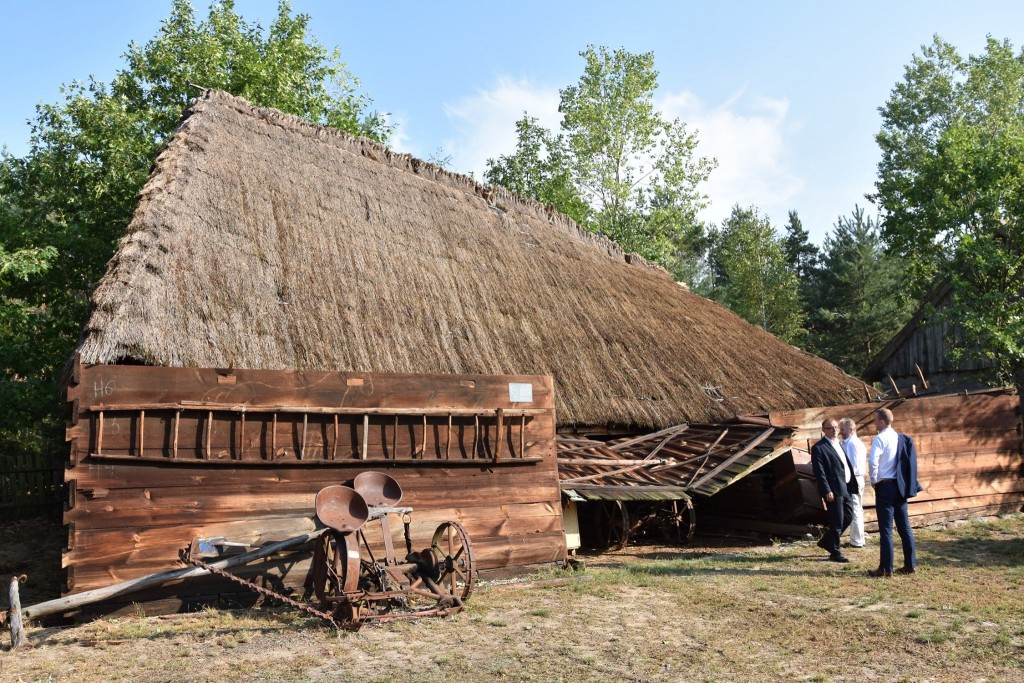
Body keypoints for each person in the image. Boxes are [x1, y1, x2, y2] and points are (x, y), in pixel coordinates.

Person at [866, 407, 922, 577]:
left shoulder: (880, 439)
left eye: (875, 420)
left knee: (886, 529)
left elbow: (873, 460)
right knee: (904, 527)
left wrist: (874, 480)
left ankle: (886, 568)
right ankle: (910, 564)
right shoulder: (901, 439)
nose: (874, 423)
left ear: (882, 421)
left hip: (886, 486)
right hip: (901, 486)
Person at [811, 418, 858, 563]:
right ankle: (835, 552)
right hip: (833, 490)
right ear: (823, 430)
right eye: (831, 428)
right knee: (836, 522)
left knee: (849, 517)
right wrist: (827, 490)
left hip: (846, 487)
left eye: (836, 427)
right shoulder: (819, 448)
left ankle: (826, 541)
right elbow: (820, 472)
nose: (835, 430)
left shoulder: (839, 444)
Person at [838, 418, 867, 548]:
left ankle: (857, 541)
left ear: (851, 430)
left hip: (854, 478)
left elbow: (852, 465)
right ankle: (858, 538)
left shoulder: (852, 444)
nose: (840, 432)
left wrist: (845, 479)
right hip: (856, 478)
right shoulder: (850, 443)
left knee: (855, 509)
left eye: (842, 430)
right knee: (857, 508)